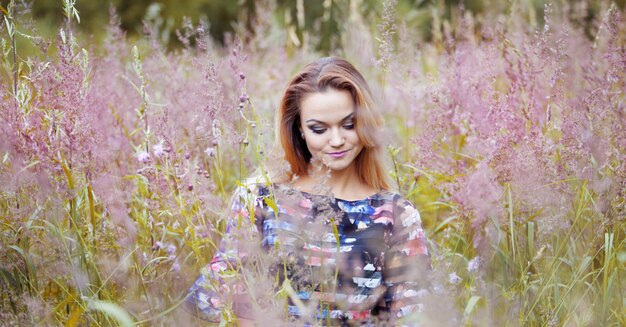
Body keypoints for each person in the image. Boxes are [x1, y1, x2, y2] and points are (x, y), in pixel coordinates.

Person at [186, 57, 430, 326]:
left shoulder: (395, 215)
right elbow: (213, 294)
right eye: (319, 129)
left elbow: (414, 315)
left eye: (349, 124)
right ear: (299, 129)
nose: (337, 140)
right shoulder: (262, 200)